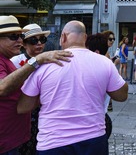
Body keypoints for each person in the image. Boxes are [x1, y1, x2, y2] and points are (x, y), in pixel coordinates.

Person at [18, 20, 128, 155]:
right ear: (85, 38)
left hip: (53, 142)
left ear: (63, 37)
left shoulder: (43, 66)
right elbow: (122, 95)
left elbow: (23, 107)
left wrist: (46, 95)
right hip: (93, 139)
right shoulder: (105, 62)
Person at [0, 15, 72, 155]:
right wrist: (36, 61)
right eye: (14, 37)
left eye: (20, 36)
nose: (20, 40)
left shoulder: (6, 59)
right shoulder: (15, 60)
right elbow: (2, 88)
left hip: (13, 138)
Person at [11, 24, 51, 155]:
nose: (39, 43)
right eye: (34, 40)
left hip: (42, 111)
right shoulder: (16, 61)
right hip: (21, 110)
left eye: (42, 40)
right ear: (24, 44)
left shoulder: (48, 60)